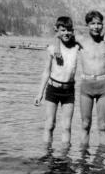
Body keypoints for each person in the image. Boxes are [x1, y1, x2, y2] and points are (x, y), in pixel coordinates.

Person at [55, 10, 105, 148]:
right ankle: (83, 159)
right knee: (85, 124)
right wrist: (57, 50)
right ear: (87, 25)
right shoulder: (81, 40)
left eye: (99, 23)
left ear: (102, 25)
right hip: (86, 86)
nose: (96, 26)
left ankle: (101, 160)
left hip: (103, 86)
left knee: (102, 125)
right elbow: (59, 34)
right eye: (92, 23)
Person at [34, 16, 80, 149]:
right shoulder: (52, 49)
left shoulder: (76, 47)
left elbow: (88, 42)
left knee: (66, 127)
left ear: (73, 30)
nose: (66, 33)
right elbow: (46, 72)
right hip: (53, 89)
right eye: (63, 30)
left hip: (68, 91)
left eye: (69, 30)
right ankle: (47, 154)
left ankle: (64, 157)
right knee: (49, 125)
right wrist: (39, 94)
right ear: (58, 30)